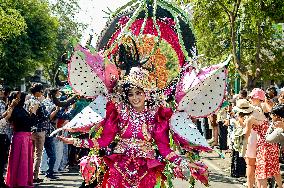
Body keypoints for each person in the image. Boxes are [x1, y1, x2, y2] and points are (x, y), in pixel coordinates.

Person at [57, 66, 204, 187]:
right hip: (119, 166)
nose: (135, 98)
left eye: (138, 93)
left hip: (146, 168)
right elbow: (103, 141)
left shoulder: (156, 116)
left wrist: (185, 162)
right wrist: (75, 142)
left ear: (146, 93)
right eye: (131, 94)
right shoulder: (119, 112)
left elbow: (165, 149)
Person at [235, 99, 282, 188]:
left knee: (260, 172)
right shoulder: (258, 113)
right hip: (272, 143)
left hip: (262, 146)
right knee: (275, 169)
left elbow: (246, 136)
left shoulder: (250, 119)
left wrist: (243, 152)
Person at [5, 92, 38, 188]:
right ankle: (20, 181)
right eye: (20, 98)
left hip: (25, 137)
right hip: (20, 137)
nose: (22, 100)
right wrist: (33, 112)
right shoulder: (15, 110)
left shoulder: (21, 109)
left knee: (25, 160)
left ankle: (23, 181)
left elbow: (30, 122)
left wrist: (32, 113)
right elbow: (27, 123)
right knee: (21, 161)